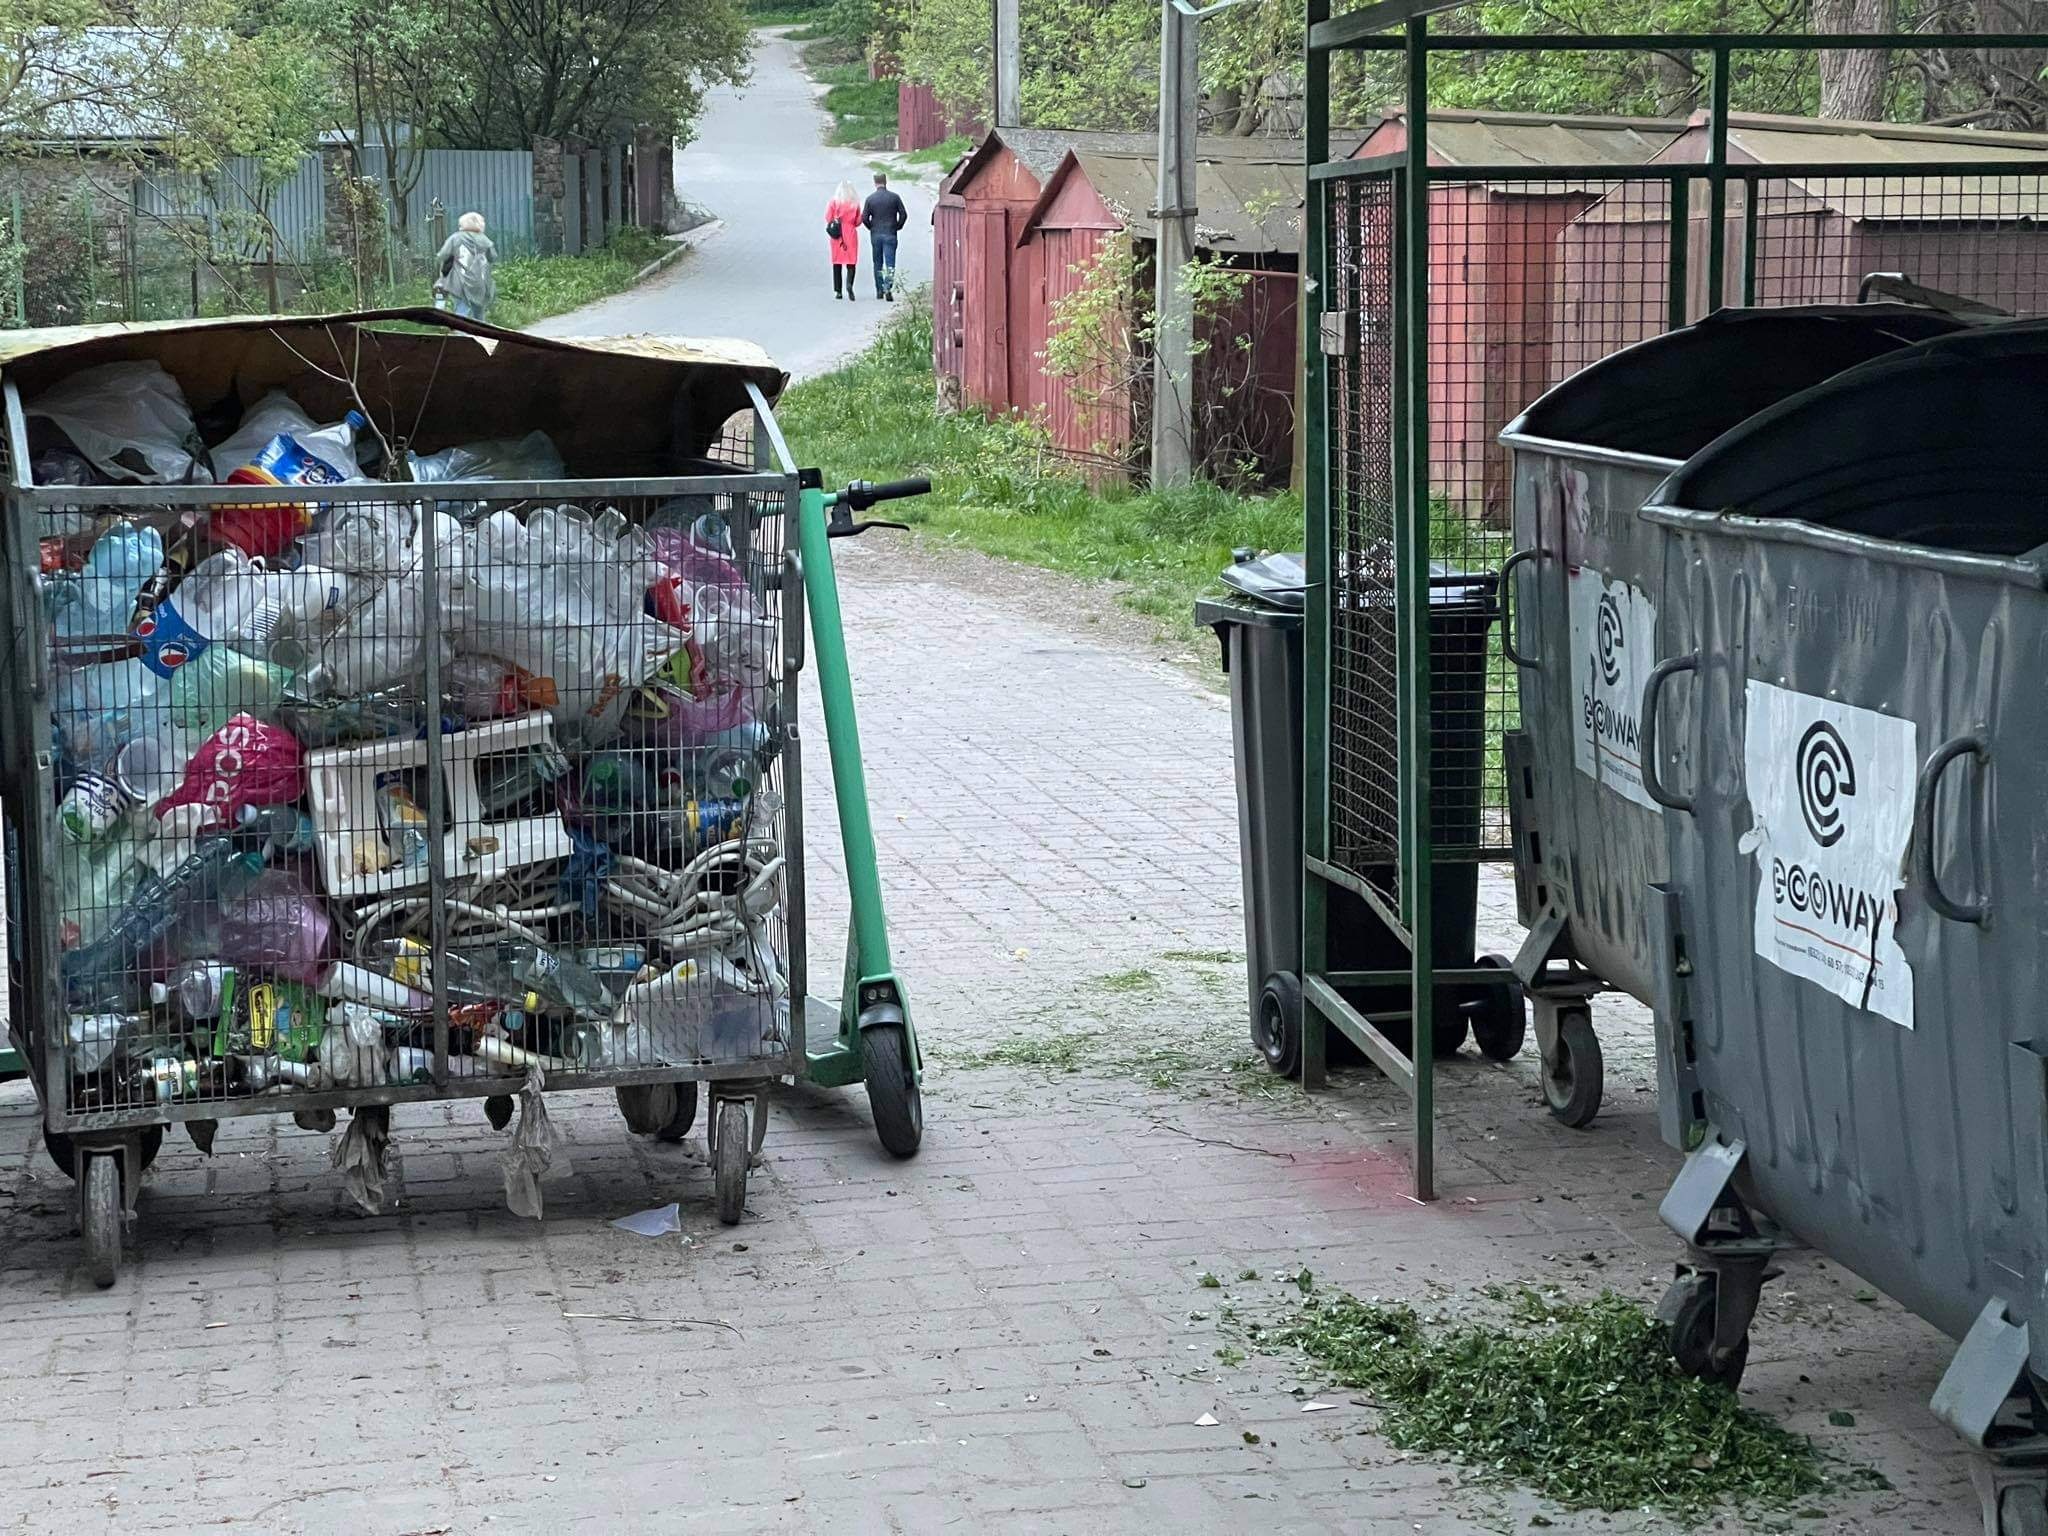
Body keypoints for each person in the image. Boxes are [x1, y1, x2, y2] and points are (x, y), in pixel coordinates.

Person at [434, 212, 496, 321]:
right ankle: (481, 334)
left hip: (459, 281)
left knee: (461, 309)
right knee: (479, 312)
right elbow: (493, 257)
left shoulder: (455, 238)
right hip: (480, 281)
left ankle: (460, 334)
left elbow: (442, 255)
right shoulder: (485, 240)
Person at [862, 171, 908, 302]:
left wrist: (871, 227)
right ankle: (888, 287)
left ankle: (879, 290)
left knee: (877, 262)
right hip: (890, 233)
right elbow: (903, 214)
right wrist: (898, 226)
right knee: (890, 263)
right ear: (885, 181)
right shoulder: (894, 197)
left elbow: (864, 217)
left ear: (875, 182)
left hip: (876, 234)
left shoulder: (870, 199)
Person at [826, 182, 863, 301]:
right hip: (850, 233)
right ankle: (849, 284)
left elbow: (828, 217)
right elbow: (858, 221)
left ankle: (838, 291)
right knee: (851, 261)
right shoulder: (854, 203)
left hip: (838, 234)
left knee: (837, 262)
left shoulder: (834, 202)